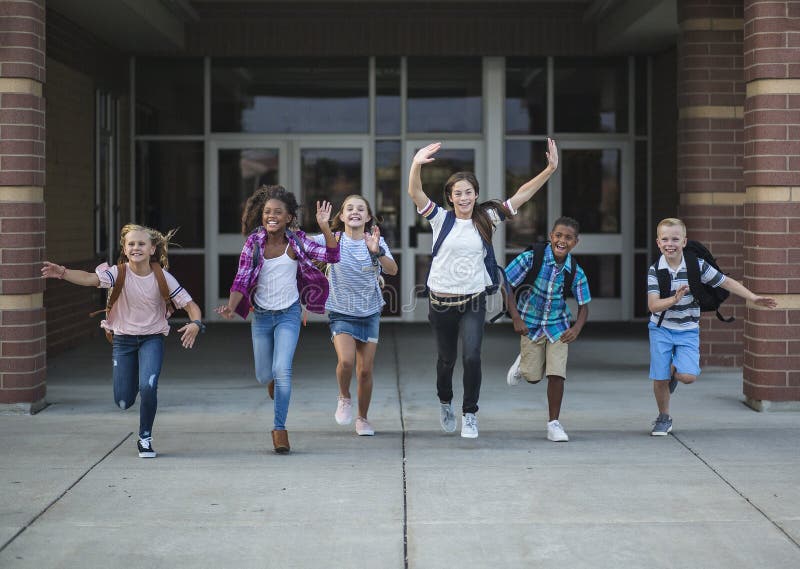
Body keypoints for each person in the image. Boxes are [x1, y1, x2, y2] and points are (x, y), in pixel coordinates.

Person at [408, 139, 559, 439]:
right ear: (450, 198)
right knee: (446, 360)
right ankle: (445, 401)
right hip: (441, 303)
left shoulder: (486, 218)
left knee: (473, 356)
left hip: (473, 301)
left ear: (476, 194)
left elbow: (521, 196)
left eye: (468, 192)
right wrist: (416, 163)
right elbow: (415, 192)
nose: (463, 197)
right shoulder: (441, 219)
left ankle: (470, 413)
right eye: (457, 193)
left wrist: (550, 169)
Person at [41, 224, 204, 458]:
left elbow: (190, 306)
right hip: (124, 341)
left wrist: (196, 324)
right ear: (125, 249)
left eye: (141, 244)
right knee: (123, 401)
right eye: (131, 244)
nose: (136, 247)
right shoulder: (119, 273)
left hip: (152, 338)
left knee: (148, 386)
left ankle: (145, 438)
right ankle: (133, 382)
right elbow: (89, 279)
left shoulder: (161, 277)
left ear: (152, 249)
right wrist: (63, 272)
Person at [216, 185, 339, 453]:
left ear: (288, 217)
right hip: (261, 317)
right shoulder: (254, 243)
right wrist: (231, 306)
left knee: (283, 371)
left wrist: (325, 227)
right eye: (267, 212)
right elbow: (241, 279)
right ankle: (272, 380)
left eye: (278, 212)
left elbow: (332, 256)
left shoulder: (297, 242)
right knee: (264, 375)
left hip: (289, 314)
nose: (271, 216)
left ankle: (279, 428)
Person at [647, 218, 777, 435]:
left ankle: (672, 371)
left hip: (688, 328)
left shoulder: (696, 266)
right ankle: (664, 417)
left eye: (675, 239)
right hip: (661, 328)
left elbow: (725, 281)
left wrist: (752, 297)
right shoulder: (655, 270)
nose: (670, 243)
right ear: (658, 243)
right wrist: (674, 300)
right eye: (665, 239)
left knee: (687, 377)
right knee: (659, 378)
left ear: (684, 242)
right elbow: (653, 305)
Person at [311, 195, 398, 436]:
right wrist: (322, 226)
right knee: (347, 361)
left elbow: (392, 269)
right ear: (341, 215)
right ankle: (344, 396)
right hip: (341, 312)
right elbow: (300, 245)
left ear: (368, 217)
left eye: (361, 209)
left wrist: (377, 251)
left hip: (370, 313)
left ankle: (363, 419)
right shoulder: (333, 238)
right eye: (349, 208)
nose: (355, 212)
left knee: (365, 371)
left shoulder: (375, 241)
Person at [504, 217, 591, 442]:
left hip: (558, 325)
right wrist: (515, 317)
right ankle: (524, 363)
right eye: (559, 236)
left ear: (575, 242)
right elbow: (506, 284)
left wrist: (577, 328)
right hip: (530, 323)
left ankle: (554, 424)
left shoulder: (575, 271)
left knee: (556, 375)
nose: (562, 241)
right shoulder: (532, 258)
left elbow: (584, 305)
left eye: (568, 238)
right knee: (533, 377)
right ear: (551, 236)